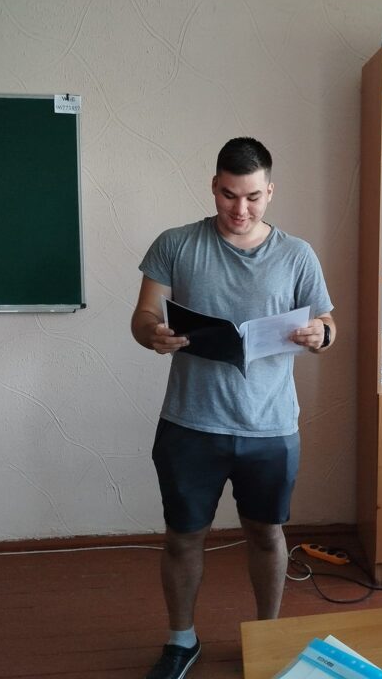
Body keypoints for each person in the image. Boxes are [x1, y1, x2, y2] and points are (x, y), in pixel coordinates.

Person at [131, 137, 335, 679]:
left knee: (266, 534)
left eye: (252, 197)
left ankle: (268, 635)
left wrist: (322, 334)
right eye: (228, 195)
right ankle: (181, 640)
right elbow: (143, 315)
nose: (239, 209)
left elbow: (327, 322)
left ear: (270, 191)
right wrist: (154, 333)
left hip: (271, 427)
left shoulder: (297, 254)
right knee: (183, 537)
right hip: (189, 423)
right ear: (213, 187)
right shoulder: (176, 244)